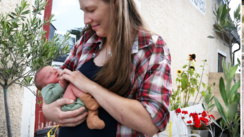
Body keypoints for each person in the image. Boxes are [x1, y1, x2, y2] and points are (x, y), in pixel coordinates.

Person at [41, 0, 172, 136]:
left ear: (115, 4)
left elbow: (151, 123)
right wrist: (47, 109)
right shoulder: (87, 40)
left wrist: (91, 87)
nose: (85, 20)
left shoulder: (151, 46)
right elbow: (55, 81)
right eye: (83, 11)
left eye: (91, 10)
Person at [34, 66, 105, 129]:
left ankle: (92, 118)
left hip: (74, 105)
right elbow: (48, 99)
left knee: (75, 86)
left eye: (55, 69)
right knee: (72, 86)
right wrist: (62, 84)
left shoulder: (60, 80)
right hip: (67, 107)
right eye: (50, 75)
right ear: (44, 85)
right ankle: (91, 102)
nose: (55, 72)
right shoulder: (46, 89)